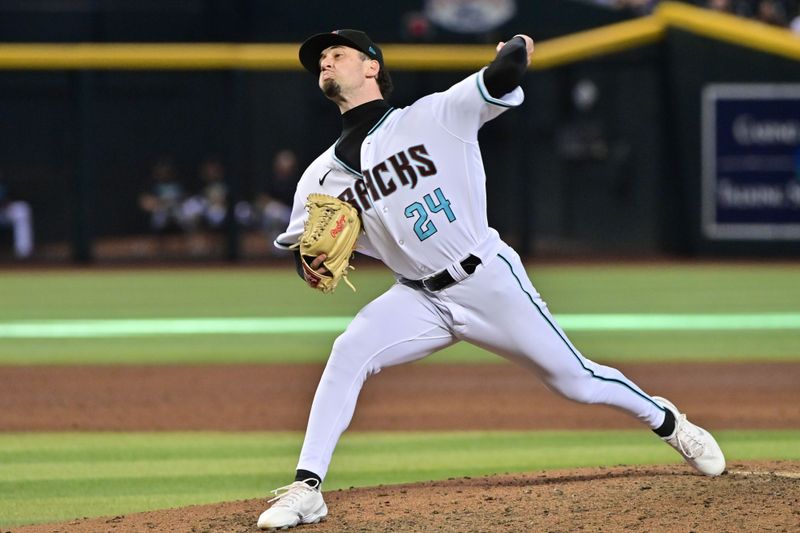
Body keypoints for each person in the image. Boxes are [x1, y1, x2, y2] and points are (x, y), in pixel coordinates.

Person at [258, 29, 725, 530]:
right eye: (320, 60)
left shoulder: (436, 115)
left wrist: (516, 46)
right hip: (416, 298)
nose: (326, 62)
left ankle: (668, 421)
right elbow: (304, 254)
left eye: (337, 54)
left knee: (575, 381)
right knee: (348, 351)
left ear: (372, 67)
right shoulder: (320, 178)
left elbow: (502, 75)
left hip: (486, 279)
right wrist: (309, 266)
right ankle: (307, 489)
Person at [0, 174, 34, 259]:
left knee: (22, 210)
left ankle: (23, 252)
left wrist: (6, 204)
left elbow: (7, 199)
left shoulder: (4, 184)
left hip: (4, 212)